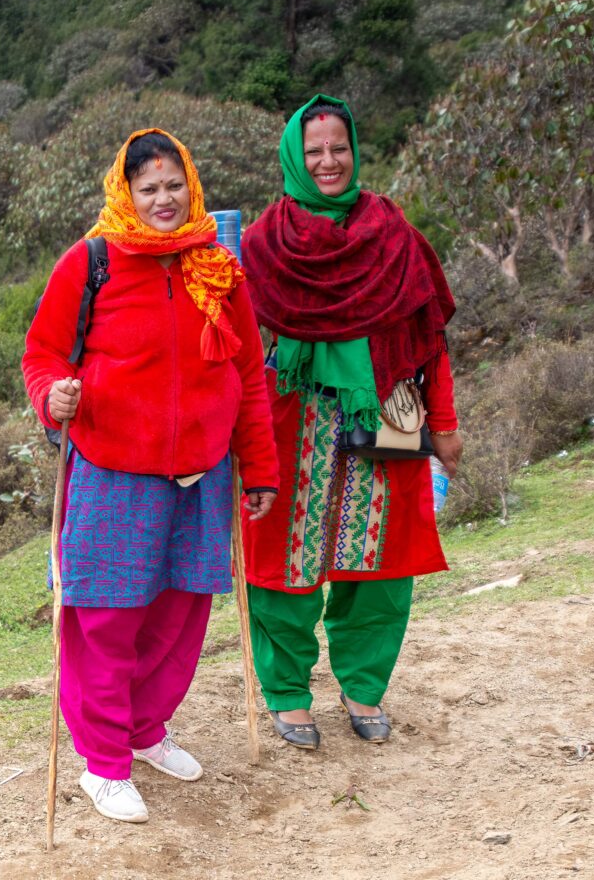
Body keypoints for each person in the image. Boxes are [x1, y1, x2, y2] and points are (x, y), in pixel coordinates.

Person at [23, 129, 278, 822]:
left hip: (202, 473)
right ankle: (102, 764)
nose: (163, 200)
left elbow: (248, 375)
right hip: (112, 470)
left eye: (174, 186)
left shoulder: (217, 265)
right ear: (126, 193)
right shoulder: (91, 260)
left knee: (179, 614)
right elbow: (44, 353)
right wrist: (53, 396)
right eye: (149, 189)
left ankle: (144, 730)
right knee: (106, 618)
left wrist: (259, 468)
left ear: (190, 187)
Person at [241, 94, 462, 751]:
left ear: (355, 151)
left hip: (390, 409)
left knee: (383, 562)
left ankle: (363, 687)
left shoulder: (395, 237)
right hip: (289, 419)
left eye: (338, 148)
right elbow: (237, 351)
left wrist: (443, 423)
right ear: (293, 158)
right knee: (282, 561)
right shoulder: (262, 245)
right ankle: (286, 694)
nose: (328, 161)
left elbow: (429, 341)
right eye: (314, 151)